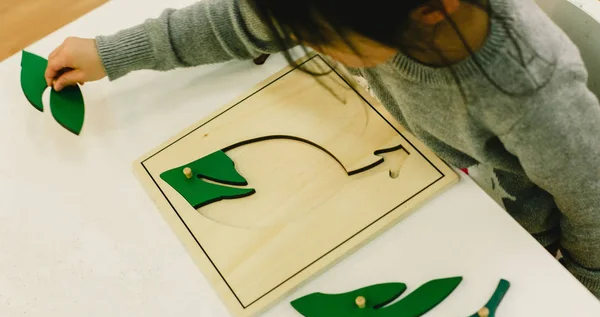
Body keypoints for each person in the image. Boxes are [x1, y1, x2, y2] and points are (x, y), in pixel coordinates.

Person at [44, 0, 600, 297]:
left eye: (323, 40)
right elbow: (242, 23)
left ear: (432, 9)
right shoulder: (355, 10)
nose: (305, 44)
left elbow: (593, 211)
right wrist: (114, 51)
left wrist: (566, 299)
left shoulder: (531, 92)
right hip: (431, 170)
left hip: (516, 232)